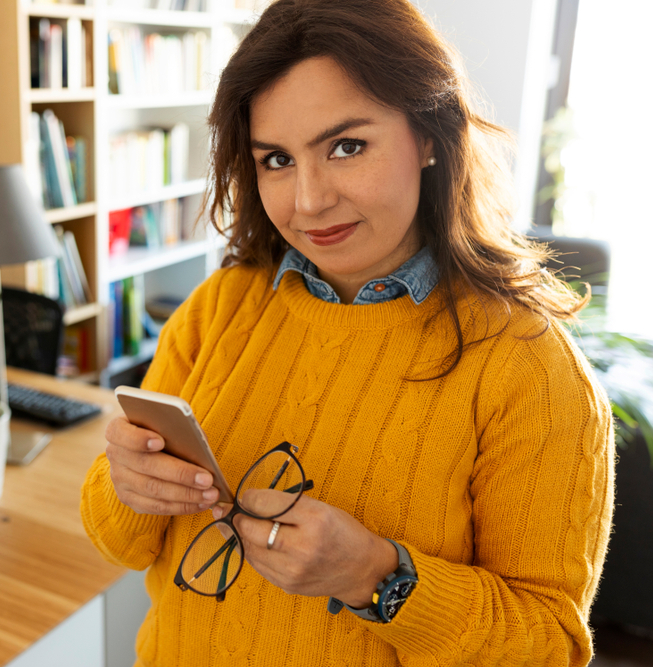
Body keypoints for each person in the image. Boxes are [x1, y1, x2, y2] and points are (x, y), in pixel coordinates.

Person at [80, 0, 614, 664]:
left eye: (346, 146)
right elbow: (121, 542)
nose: (308, 200)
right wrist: (125, 484)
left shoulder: (528, 369)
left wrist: (376, 577)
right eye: (276, 159)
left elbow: (551, 645)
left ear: (428, 135)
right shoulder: (222, 306)